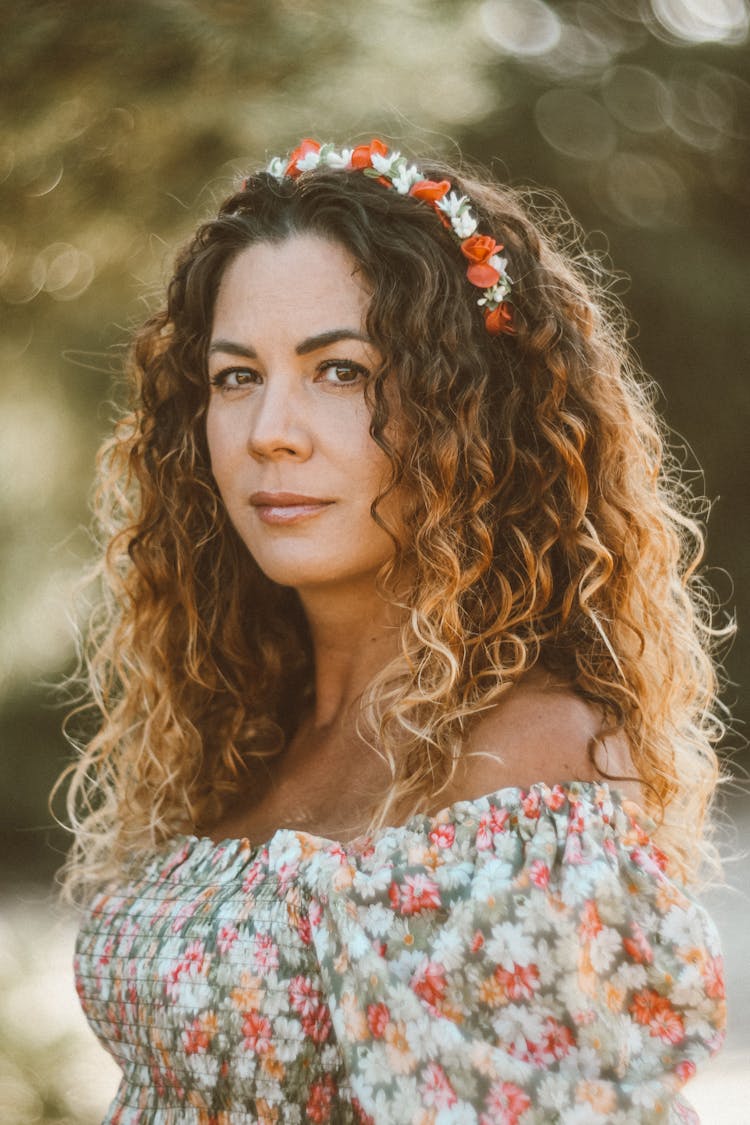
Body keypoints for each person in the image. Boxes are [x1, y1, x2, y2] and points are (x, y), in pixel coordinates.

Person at [62, 138, 727, 1123]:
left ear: (470, 412)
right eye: (236, 377)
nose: (270, 431)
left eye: (340, 370)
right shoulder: (237, 738)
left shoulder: (533, 770)